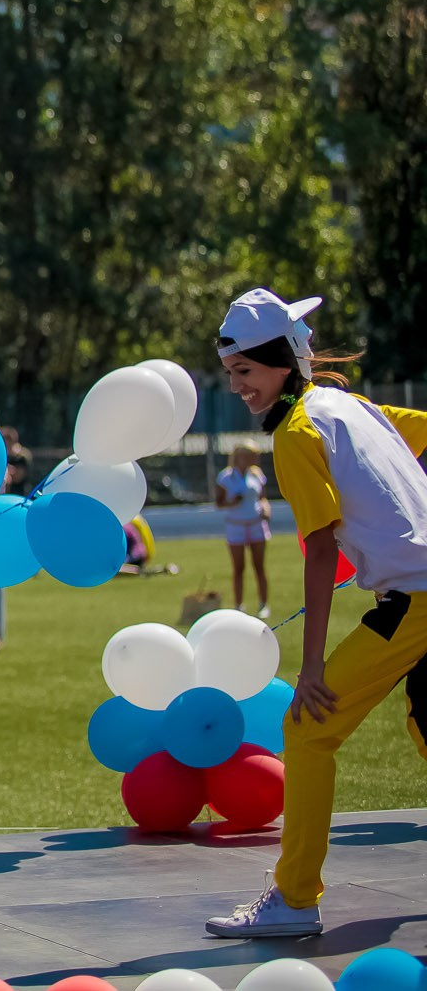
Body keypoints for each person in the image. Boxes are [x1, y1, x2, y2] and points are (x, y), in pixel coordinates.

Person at [206, 290, 427, 939]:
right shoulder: (350, 405)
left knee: (306, 730)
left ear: (280, 361)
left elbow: (321, 547)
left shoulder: (297, 432)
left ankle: (295, 896)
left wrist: (309, 669)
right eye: (230, 374)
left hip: (414, 601)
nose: (237, 386)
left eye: (245, 371)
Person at [216, 442, 273, 618]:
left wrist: (266, 508)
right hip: (236, 526)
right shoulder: (225, 477)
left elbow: (262, 498)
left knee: (259, 566)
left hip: (256, 524)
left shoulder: (257, 475)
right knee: (238, 568)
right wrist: (232, 502)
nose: (253, 460)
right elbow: (219, 503)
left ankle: (264, 604)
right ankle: (239, 605)